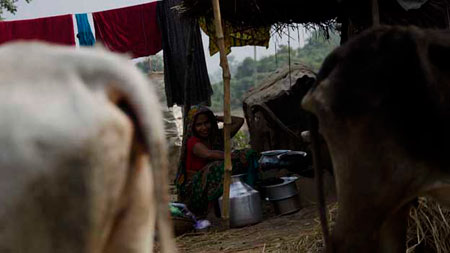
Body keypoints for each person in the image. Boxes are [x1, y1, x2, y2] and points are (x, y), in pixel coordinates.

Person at [175, 105, 259, 217]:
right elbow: (209, 154)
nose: (204, 127)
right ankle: (211, 212)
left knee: (248, 154)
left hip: (210, 182)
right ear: (192, 127)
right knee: (216, 166)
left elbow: (239, 121)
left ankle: (247, 196)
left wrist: (216, 118)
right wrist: (234, 156)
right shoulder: (192, 142)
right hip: (194, 192)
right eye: (199, 125)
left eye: (206, 122)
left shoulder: (217, 136)